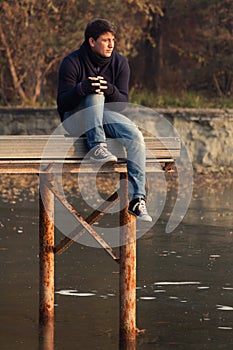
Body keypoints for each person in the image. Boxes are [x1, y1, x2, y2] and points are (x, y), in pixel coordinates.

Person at [57, 18, 152, 222]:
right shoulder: (72, 62)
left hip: (103, 118)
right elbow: (63, 104)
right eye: (106, 40)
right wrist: (82, 88)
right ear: (92, 41)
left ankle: (138, 199)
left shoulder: (120, 63)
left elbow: (121, 105)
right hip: (74, 122)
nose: (111, 45)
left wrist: (108, 88)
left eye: (113, 40)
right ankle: (97, 146)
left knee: (135, 135)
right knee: (94, 95)